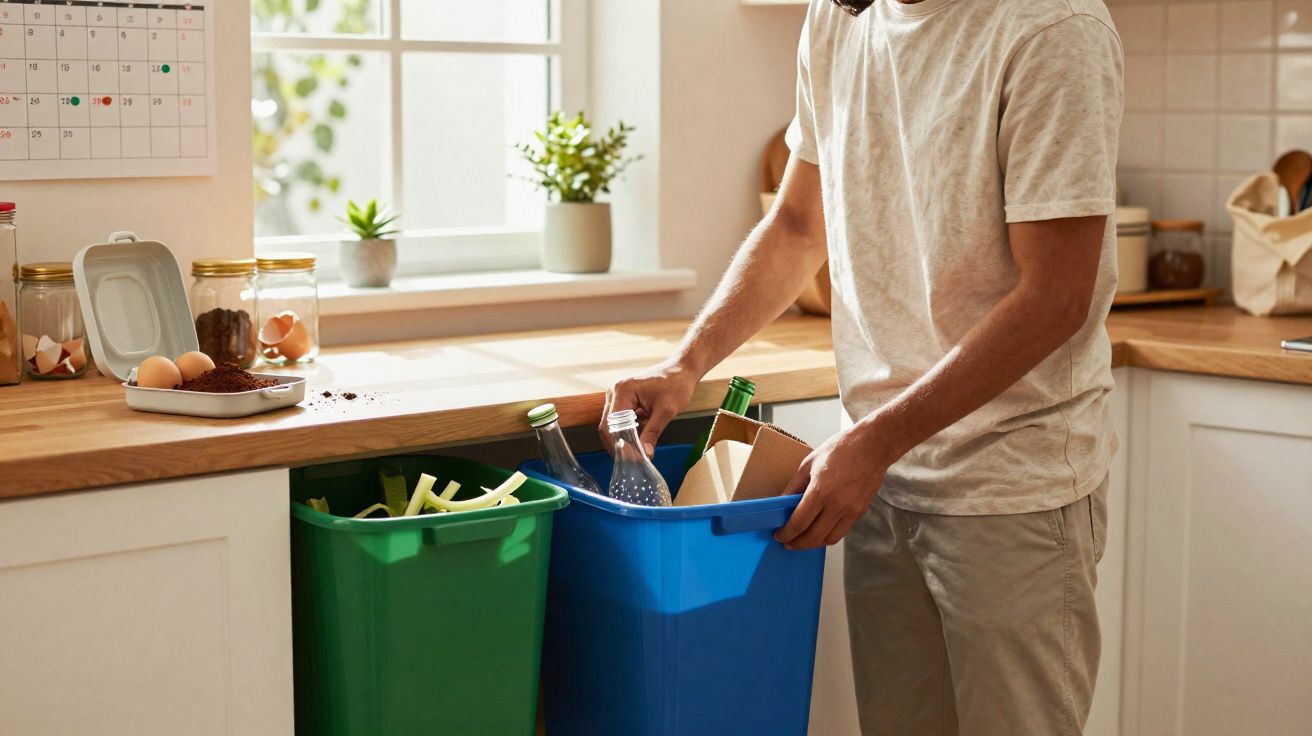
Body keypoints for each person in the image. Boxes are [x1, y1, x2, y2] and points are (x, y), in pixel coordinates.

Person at [600, 0, 1124, 733]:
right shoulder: (841, 15)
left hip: (1010, 489)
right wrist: (686, 365)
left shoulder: (1051, 29)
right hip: (881, 480)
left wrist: (875, 441)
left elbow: (1056, 298)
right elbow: (797, 226)